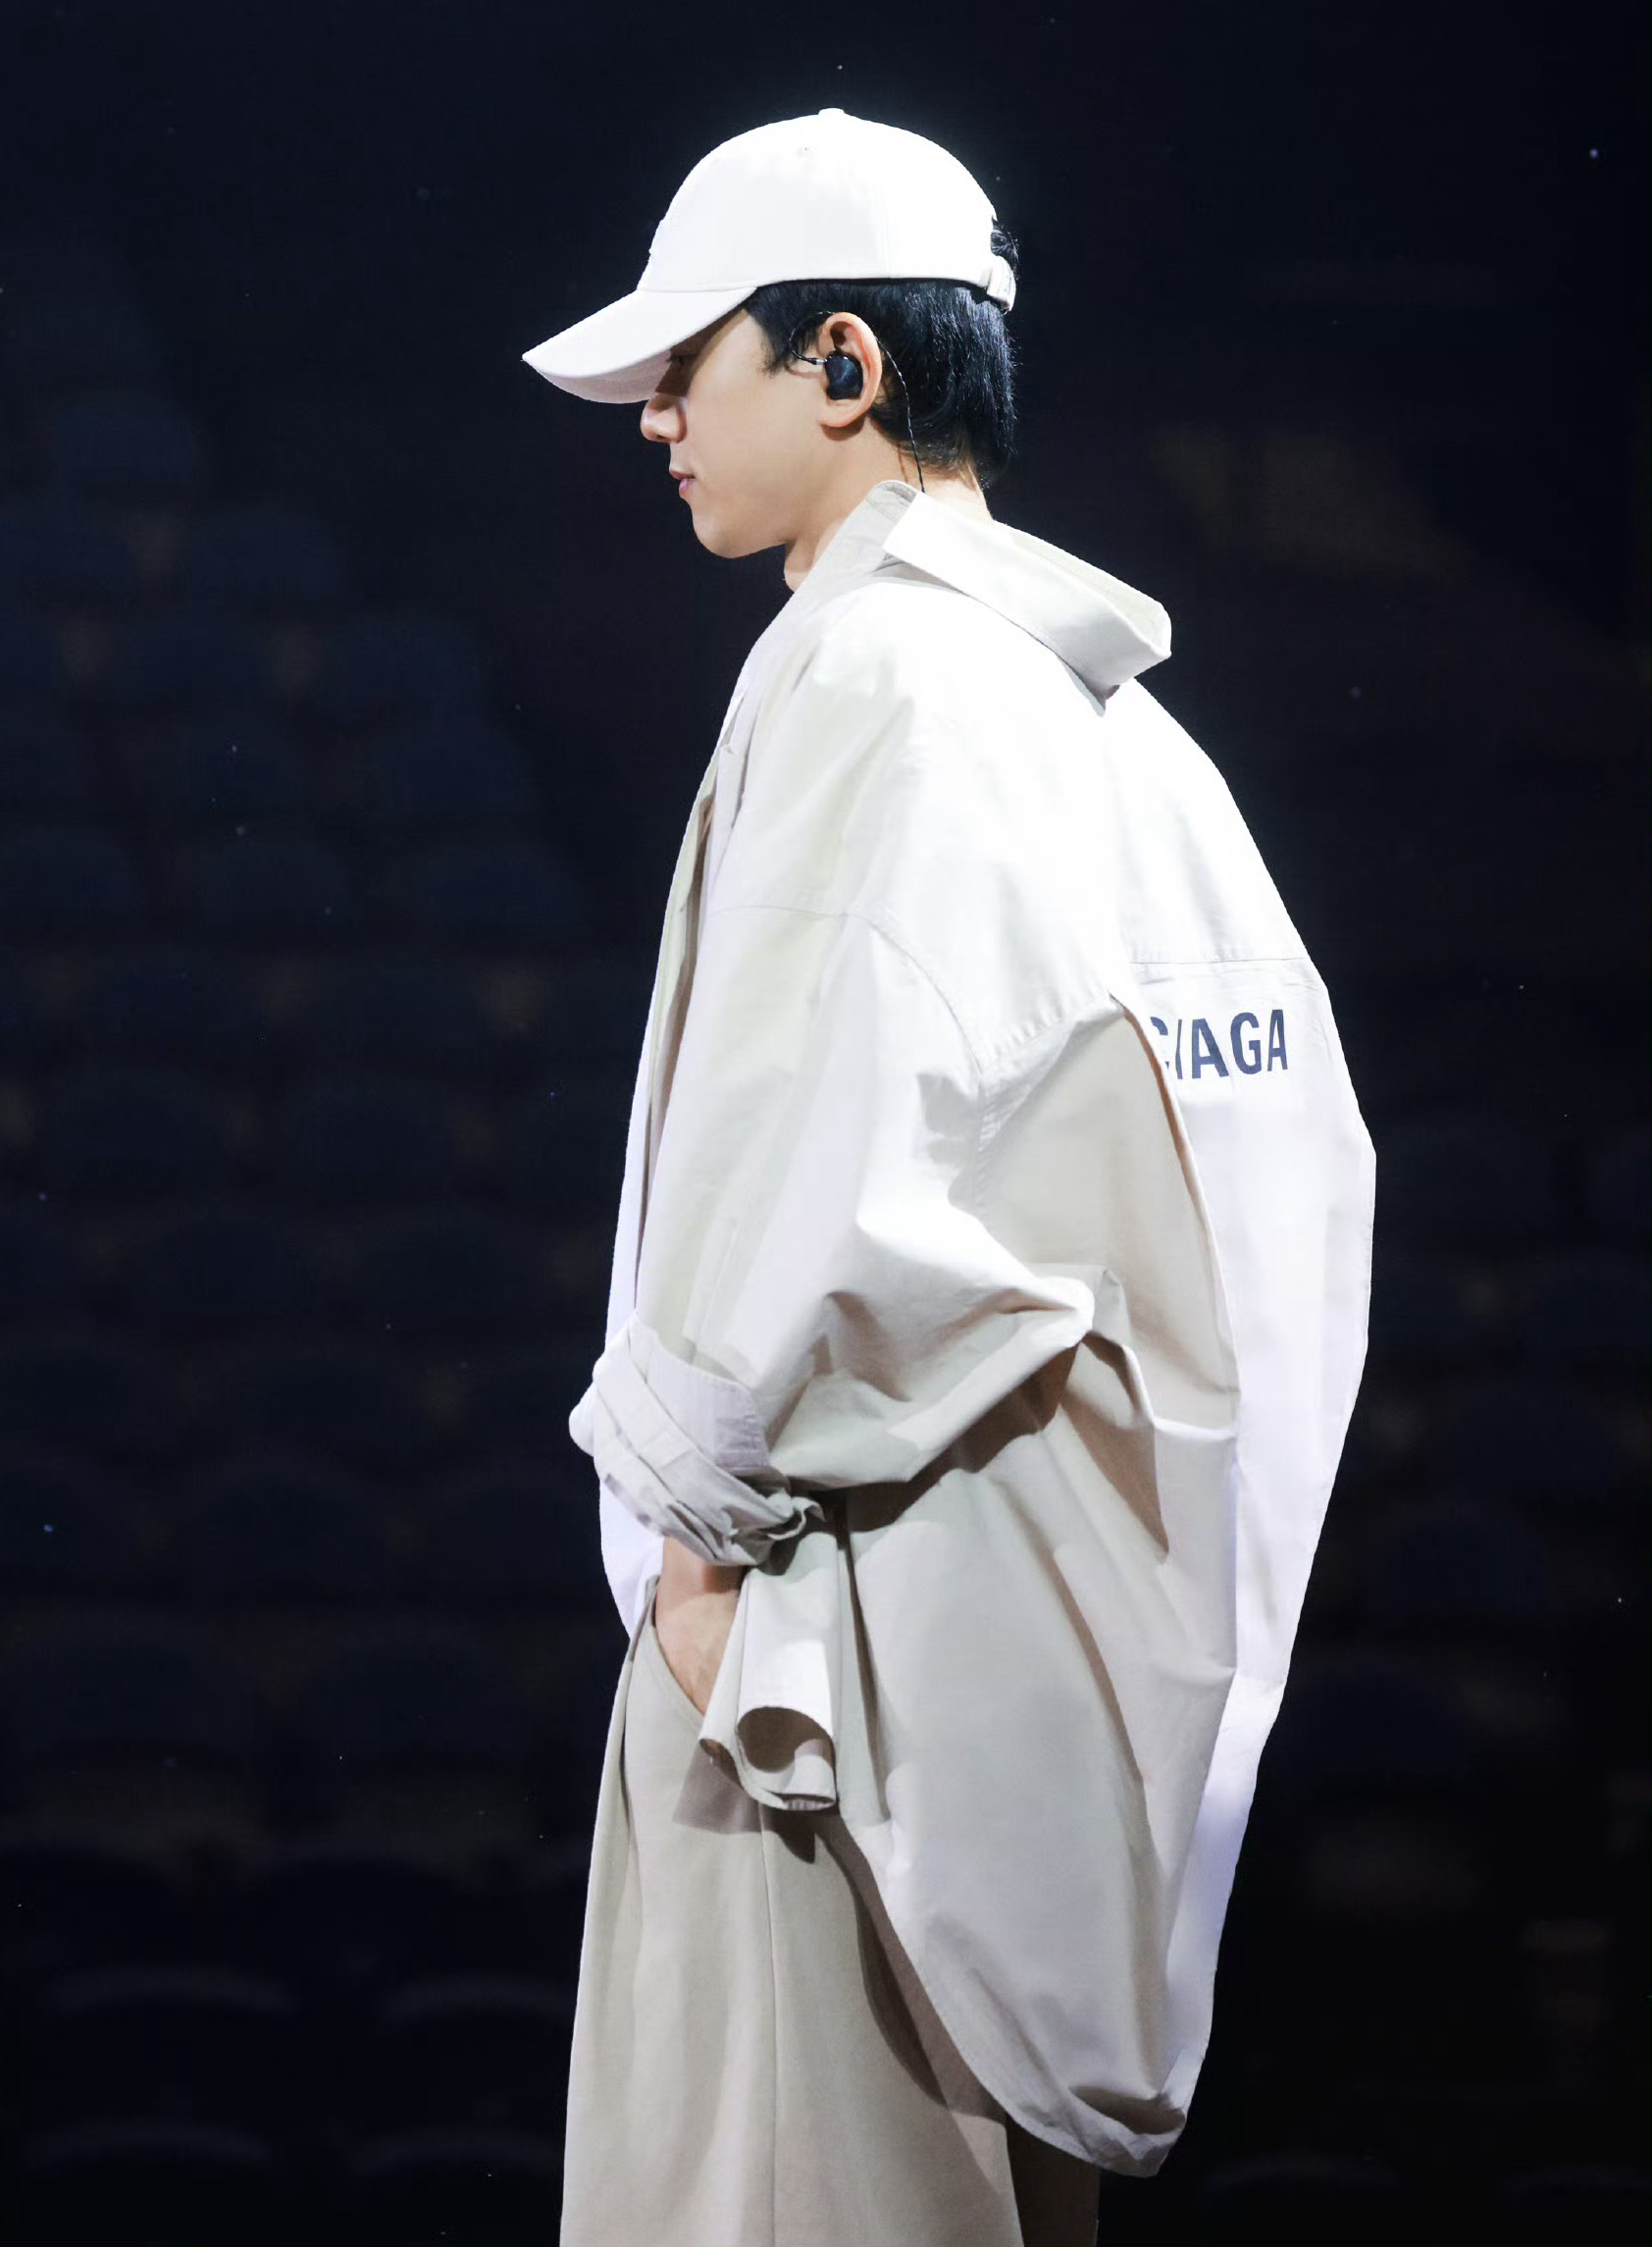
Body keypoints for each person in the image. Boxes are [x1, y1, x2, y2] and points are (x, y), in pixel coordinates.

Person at [520, 108, 1374, 2247]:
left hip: (826, 1663)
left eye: (685, 363)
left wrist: (698, 1554)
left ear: (844, 363)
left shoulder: (876, 666)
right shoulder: (1117, 725)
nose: (654, 417)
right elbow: (1292, 1182)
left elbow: (814, 1129)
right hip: (1002, 1679)